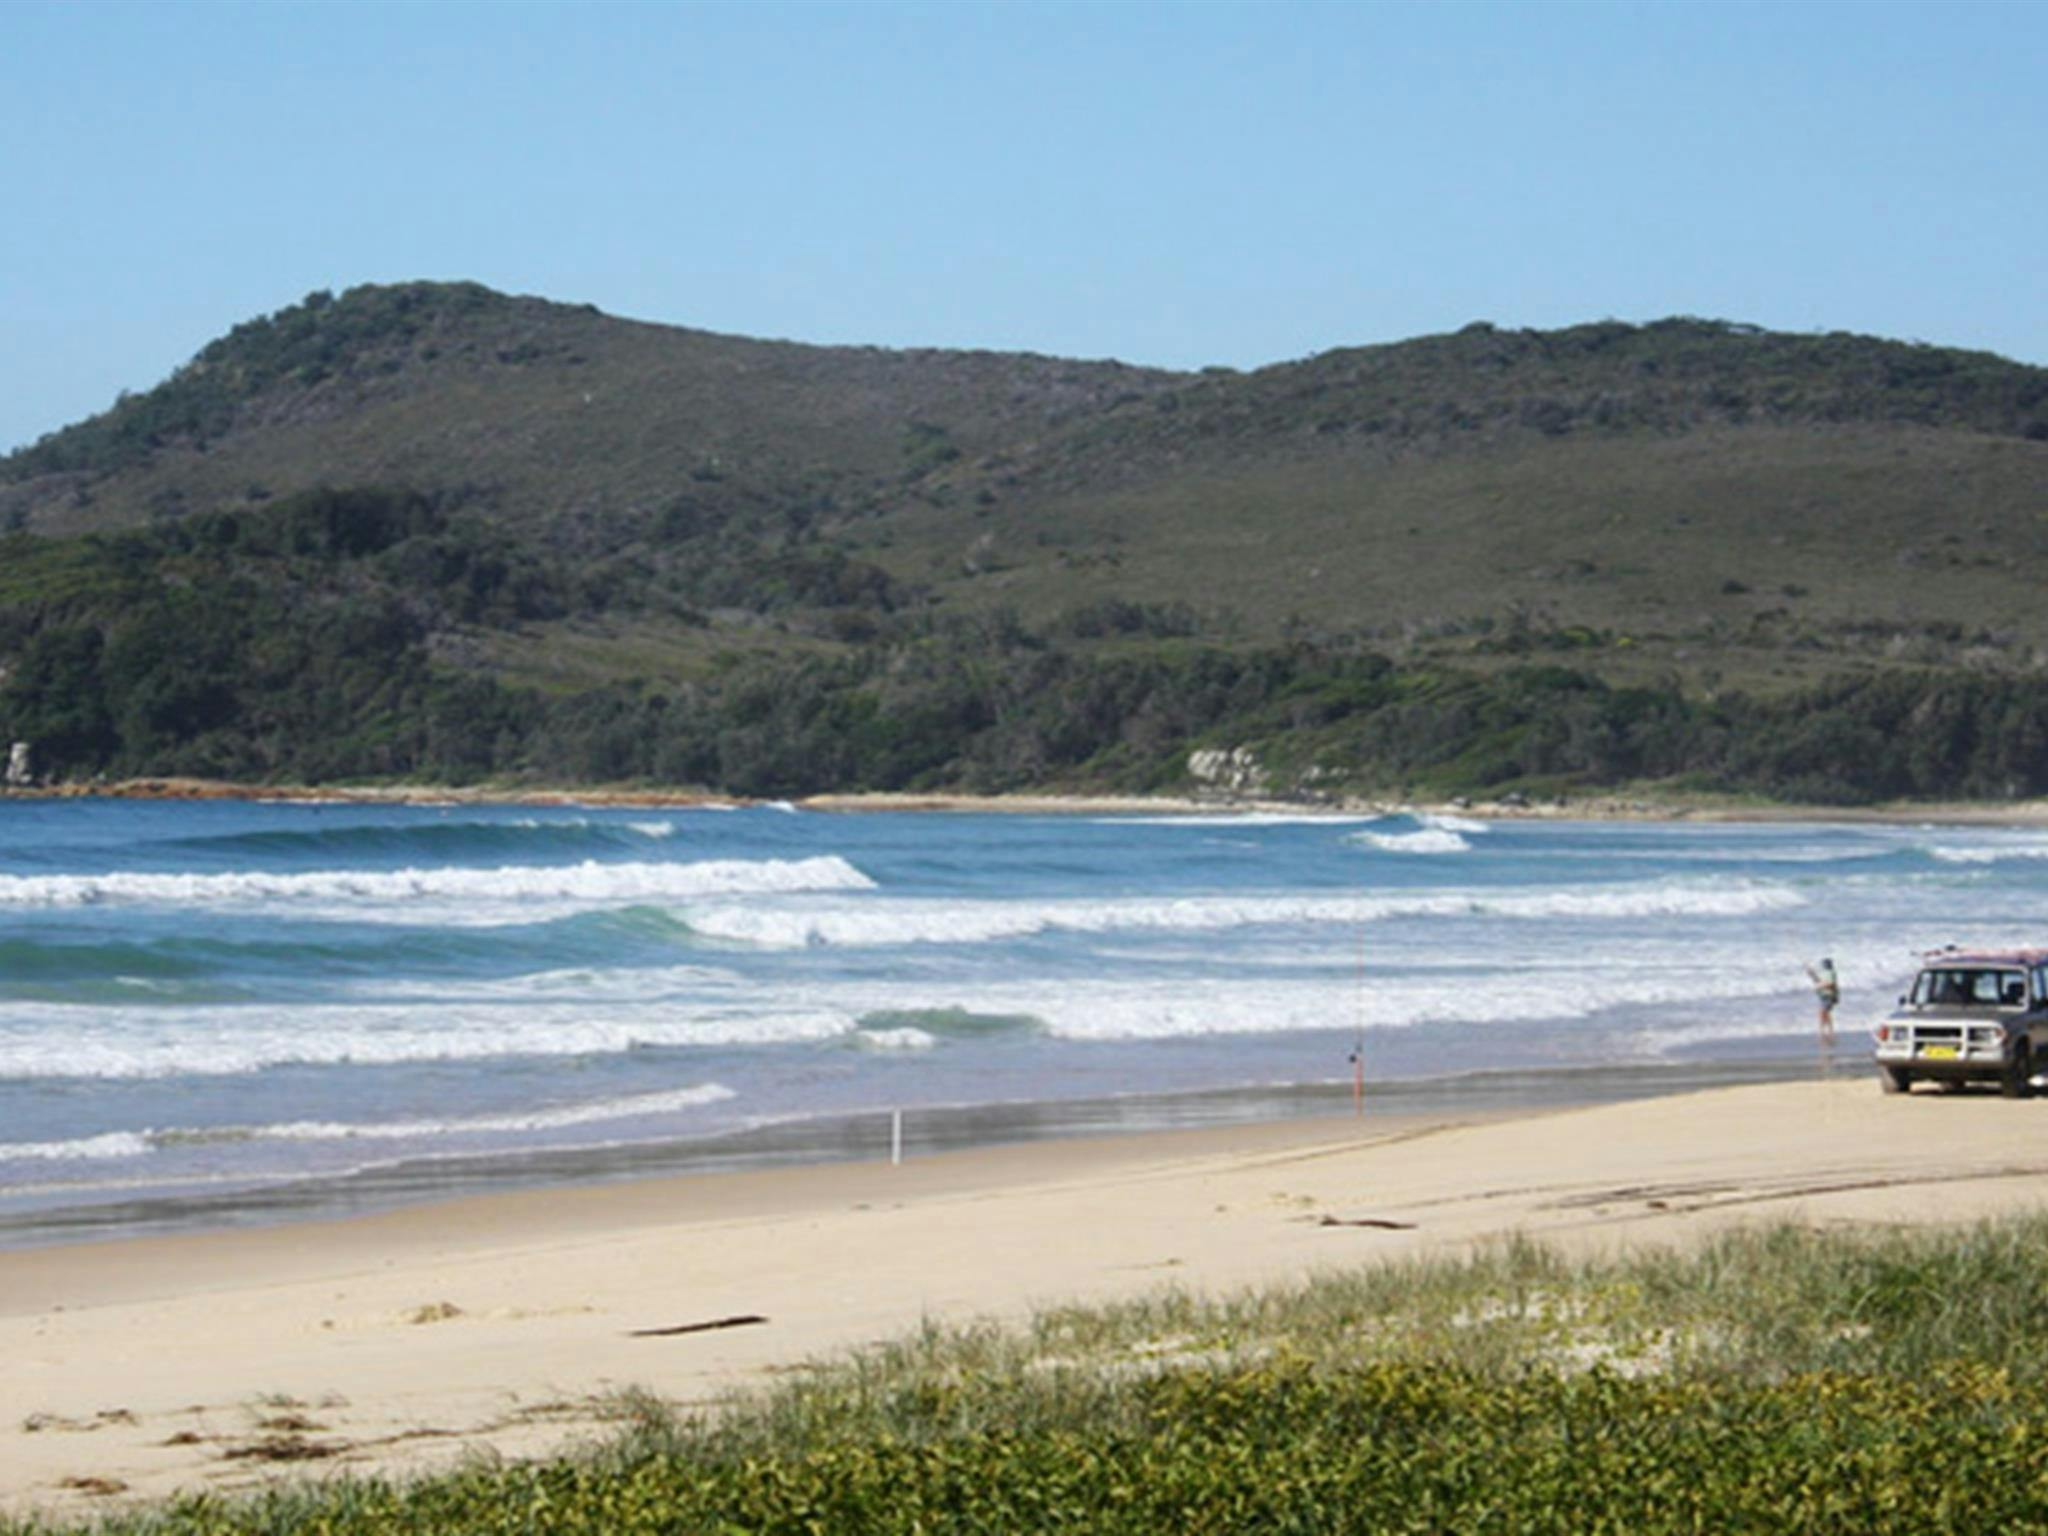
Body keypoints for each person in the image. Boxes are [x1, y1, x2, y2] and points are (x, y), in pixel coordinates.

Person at [1806, 958, 1840, 1046]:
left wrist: (1820, 986)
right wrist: (1812, 974)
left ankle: (1825, 1032)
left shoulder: (1831, 972)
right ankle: (1827, 1031)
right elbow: (1818, 981)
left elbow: (1831, 984)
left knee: (1824, 1012)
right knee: (1824, 1013)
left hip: (1829, 995)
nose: (1824, 966)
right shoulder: (1824, 973)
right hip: (1823, 995)